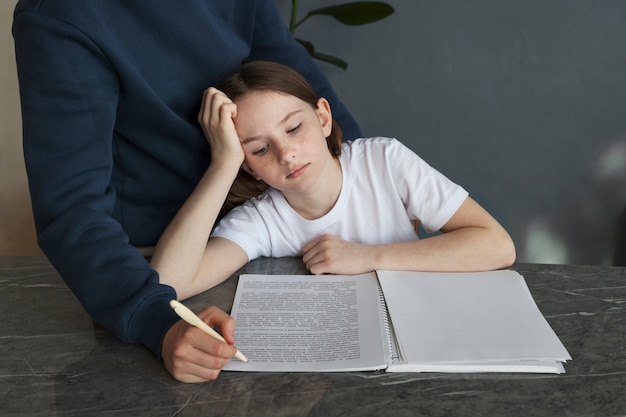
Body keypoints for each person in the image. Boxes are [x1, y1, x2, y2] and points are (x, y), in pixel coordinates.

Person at [12, 1, 362, 383]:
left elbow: (296, 77)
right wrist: (155, 319)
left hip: (271, 228)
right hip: (160, 275)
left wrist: (370, 177)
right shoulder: (60, 15)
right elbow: (72, 207)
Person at [150, 61, 517, 379]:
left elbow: (496, 244)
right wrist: (223, 164)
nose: (287, 153)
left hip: (423, 334)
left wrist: (368, 257)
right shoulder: (263, 218)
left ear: (323, 117)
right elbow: (167, 283)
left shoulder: (384, 161)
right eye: (260, 149)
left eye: (294, 128)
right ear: (249, 166)